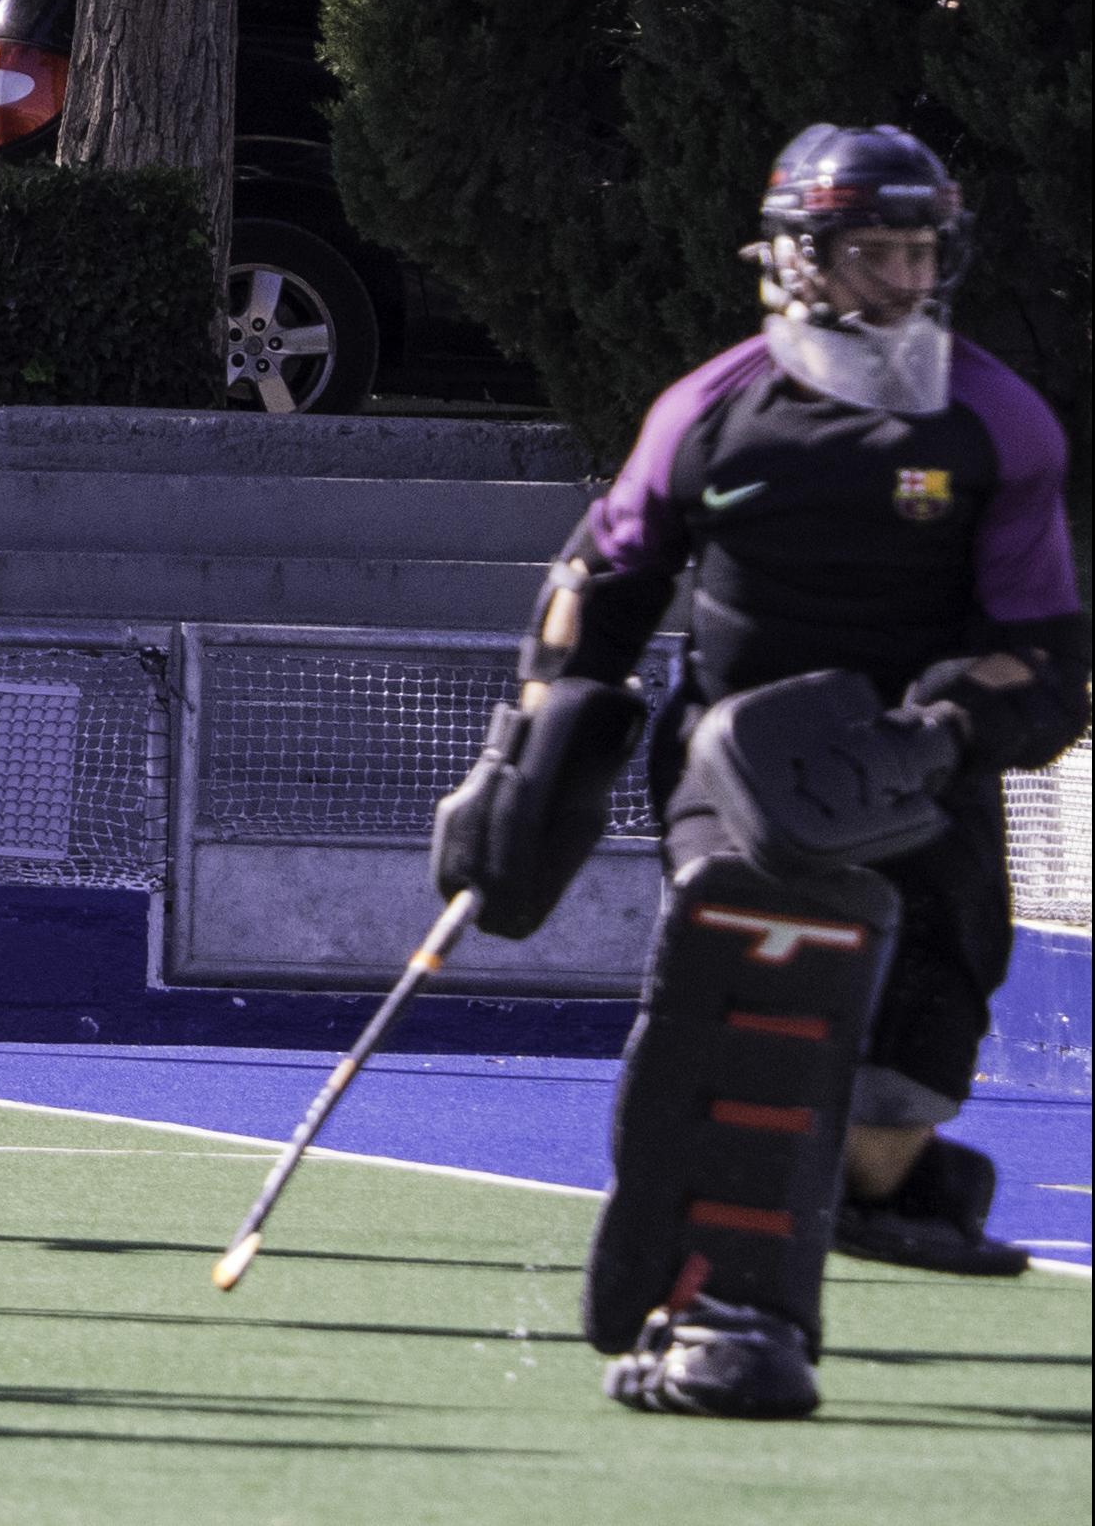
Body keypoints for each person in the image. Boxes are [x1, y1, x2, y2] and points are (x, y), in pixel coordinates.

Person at [428, 122, 1087, 1419]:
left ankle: (880, 1186)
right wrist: (536, 741)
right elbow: (601, 587)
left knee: (911, 1074)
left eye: (916, 253)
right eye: (867, 254)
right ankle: (722, 1306)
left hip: (918, 780)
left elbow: (1044, 660)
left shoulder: (999, 421)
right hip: (735, 772)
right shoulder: (710, 407)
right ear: (794, 259)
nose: (898, 282)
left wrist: (947, 731)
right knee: (751, 1014)